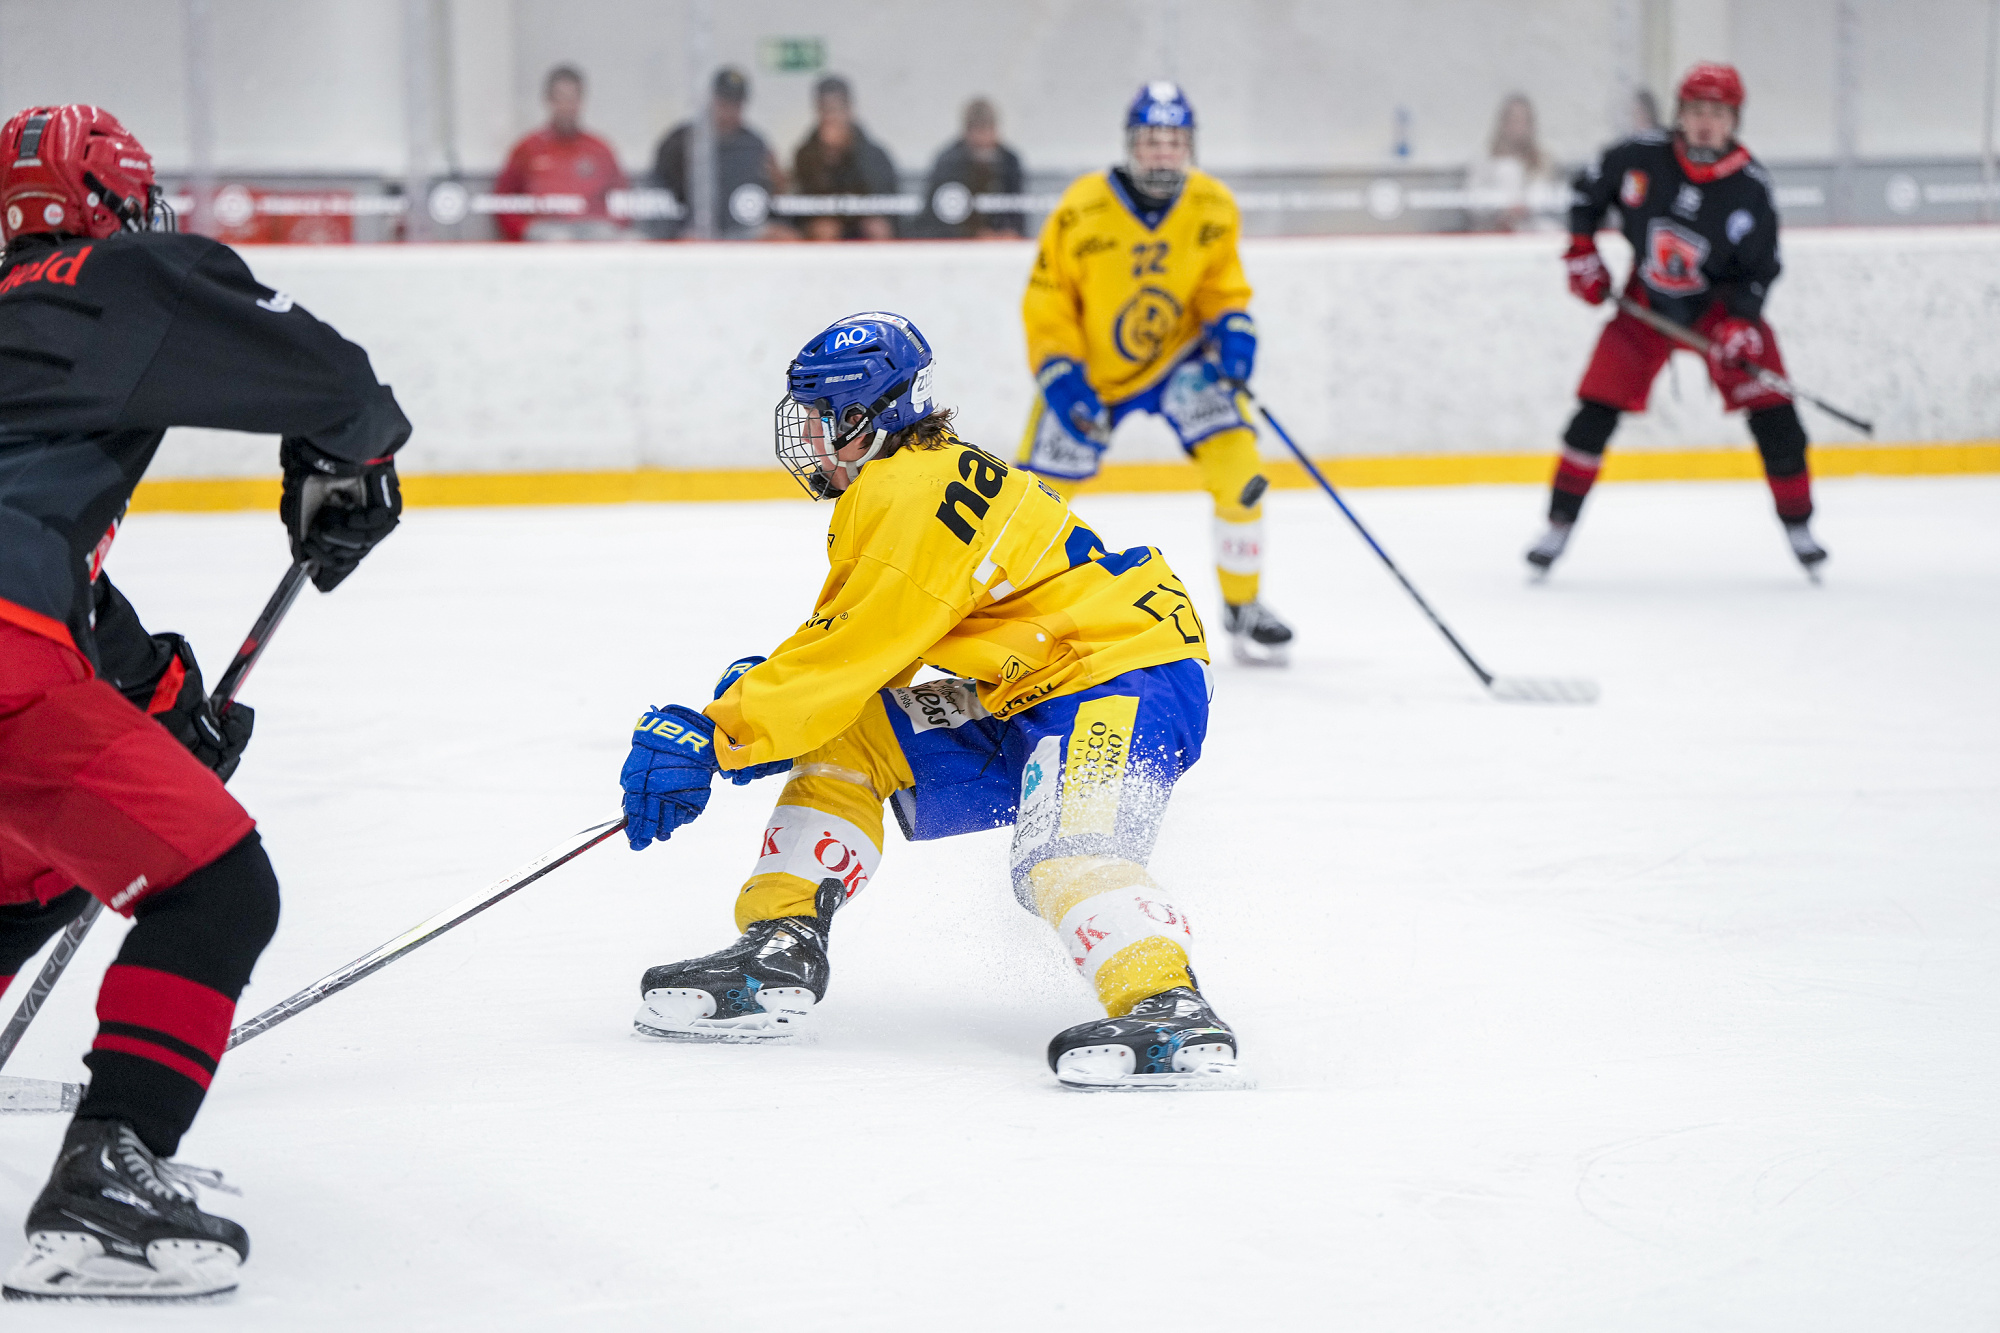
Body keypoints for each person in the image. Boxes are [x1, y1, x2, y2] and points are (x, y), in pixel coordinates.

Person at [0, 104, 408, 1301]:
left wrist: (164, 707)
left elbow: (54, 568)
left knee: (34, 870)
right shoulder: (122, 273)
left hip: (24, 631)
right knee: (218, 888)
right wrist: (349, 464)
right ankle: (108, 1178)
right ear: (112, 202)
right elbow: (334, 381)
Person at [617, 312, 1241, 1091]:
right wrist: (774, 704)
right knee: (850, 733)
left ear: (866, 416)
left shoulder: (908, 490)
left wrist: (722, 731)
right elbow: (859, 649)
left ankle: (1170, 1007)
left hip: (1119, 673)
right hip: (1029, 683)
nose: (807, 439)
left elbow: (855, 649)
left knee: (1065, 849)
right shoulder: (913, 477)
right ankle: (780, 946)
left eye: (821, 419)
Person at [1018, 82, 1292, 666]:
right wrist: (1059, 370)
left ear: (1190, 146)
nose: (1163, 152)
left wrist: (1234, 327)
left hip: (1181, 361)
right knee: (1031, 501)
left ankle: (1243, 604)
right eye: (1151, 140)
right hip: (1092, 371)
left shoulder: (1213, 205)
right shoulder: (1082, 207)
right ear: (1130, 144)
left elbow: (1221, 286)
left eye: (1174, 141)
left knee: (1240, 473)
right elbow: (1048, 298)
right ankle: (1009, 614)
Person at [1530, 63, 1826, 576]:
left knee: (1776, 417)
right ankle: (1556, 527)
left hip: (1718, 312)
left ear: (1735, 120)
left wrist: (1742, 321)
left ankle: (1800, 527)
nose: (1706, 123)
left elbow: (1761, 267)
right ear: (1679, 114)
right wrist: (1581, 252)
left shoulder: (1750, 187)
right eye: (1696, 111)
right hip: (1645, 305)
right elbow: (1585, 195)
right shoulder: (1638, 156)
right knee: (1593, 413)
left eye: (1718, 113)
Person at [493, 65, 630, 242]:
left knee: (615, 238)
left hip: (592, 229)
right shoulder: (528, 148)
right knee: (559, 239)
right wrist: (522, 229)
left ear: (581, 101)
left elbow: (621, 199)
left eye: (572, 99)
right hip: (546, 229)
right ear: (548, 101)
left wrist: (611, 223)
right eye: (561, 99)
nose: (566, 106)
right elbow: (503, 201)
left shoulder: (600, 149)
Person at [650, 67, 787, 241]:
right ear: (711, 100)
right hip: (691, 231)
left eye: (736, 104)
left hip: (742, 230)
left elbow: (767, 200)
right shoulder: (680, 142)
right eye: (724, 103)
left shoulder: (753, 145)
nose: (729, 111)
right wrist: (675, 233)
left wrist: (778, 186)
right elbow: (658, 197)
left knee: (782, 237)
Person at [790, 75, 899, 241]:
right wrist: (828, 158)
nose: (831, 117)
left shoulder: (872, 152)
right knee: (825, 229)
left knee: (878, 228)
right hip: (824, 221)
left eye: (836, 109)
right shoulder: (807, 153)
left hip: (863, 219)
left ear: (849, 110)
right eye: (825, 110)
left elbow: (880, 197)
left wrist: (848, 152)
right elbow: (808, 202)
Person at [920, 97, 1025, 238]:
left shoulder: (1009, 161)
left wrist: (1009, 233)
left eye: (987, 129)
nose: (983, 139)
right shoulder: (949, 163)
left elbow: (1017, 208)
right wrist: (972, 234)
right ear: (967, 132)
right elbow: (937, 219)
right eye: (978, 131)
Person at [1465, 92, 1562, 232]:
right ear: (1503, 123)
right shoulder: (1484, 159)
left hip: (1532, 230)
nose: (1519, 126)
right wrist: (1503, 207)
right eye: (1514, 120)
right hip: (1493, 229)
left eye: (1524, 120)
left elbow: (1553, 199)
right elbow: (1473, 200)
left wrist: (1527, 206)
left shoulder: (1544, 159)